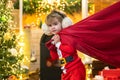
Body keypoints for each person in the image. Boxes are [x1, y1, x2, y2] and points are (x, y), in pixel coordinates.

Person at [45, 10, 86, 80]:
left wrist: (58, 44)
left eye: (55, 24)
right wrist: (52, 48)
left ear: (63, 23)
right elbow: (55, 58)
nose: (52, 27)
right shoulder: (57, 37)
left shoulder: (66, 36)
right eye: (50, 25)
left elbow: (71, 50)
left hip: (75, 69)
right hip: (66, 70)